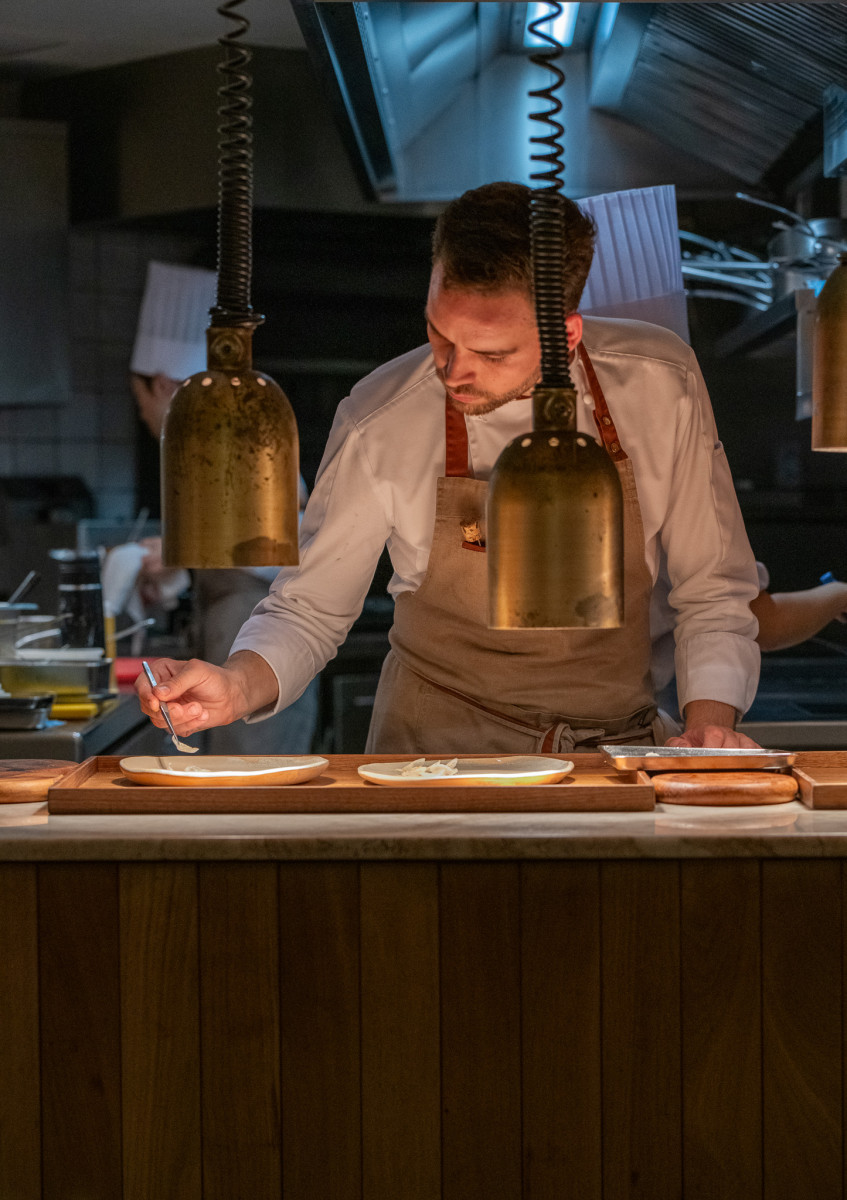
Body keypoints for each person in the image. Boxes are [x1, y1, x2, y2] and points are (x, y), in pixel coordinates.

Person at [136, 181, 762, 753]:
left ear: (566, 334)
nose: (454, 371)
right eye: (440, 334)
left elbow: (713, 589)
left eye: (491, 353)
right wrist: (237, 684)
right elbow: (310, 607)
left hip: (612, 754)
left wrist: (711, 725)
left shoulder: (661, 385)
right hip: (433, 757)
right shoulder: (382, 416)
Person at [130, 370, 319, 755]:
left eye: (140, 402)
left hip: (263, 642)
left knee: (257, 782)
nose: (145, 417)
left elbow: (291, 539)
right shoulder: (196, 448)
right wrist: (177, 570)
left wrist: (178, 550)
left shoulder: (242, 429)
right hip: (222, 641)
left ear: (163, 386)